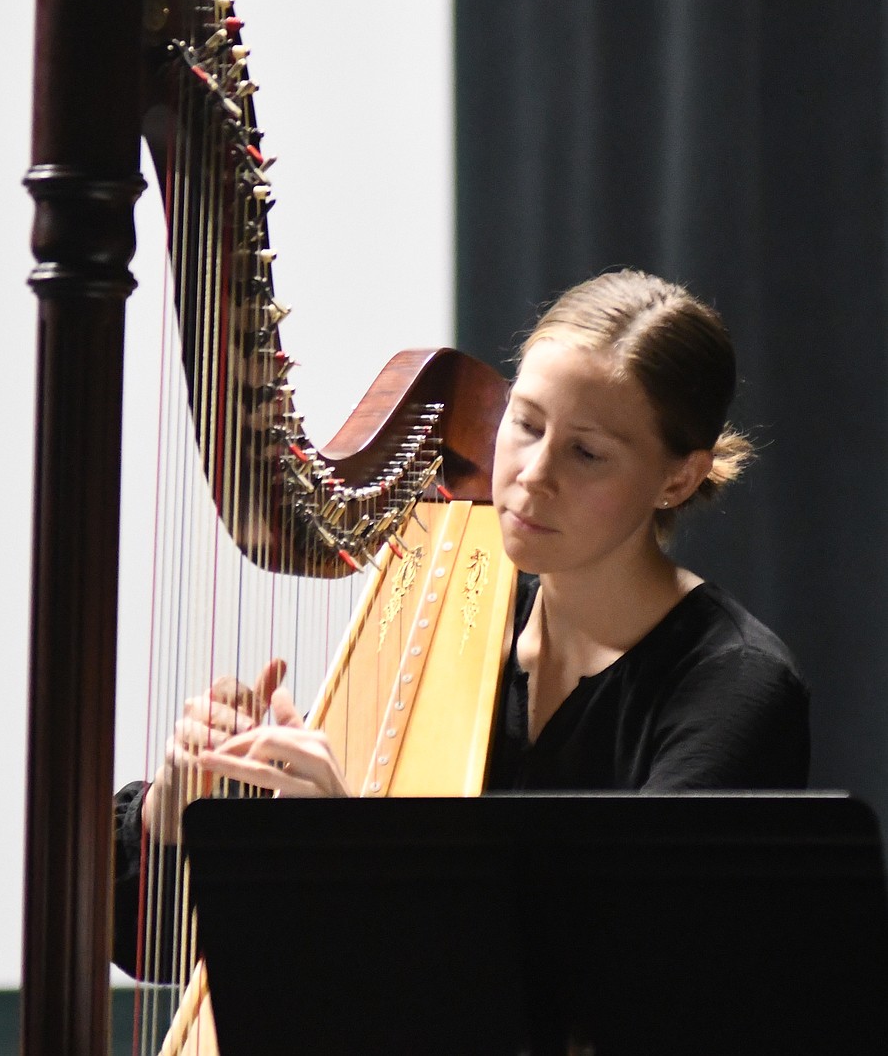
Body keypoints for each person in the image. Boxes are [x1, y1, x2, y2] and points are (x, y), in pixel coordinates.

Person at [113, 269, 809, 964]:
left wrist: (349, 851)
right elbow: (189, 951)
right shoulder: (459, 625)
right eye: (527, 424)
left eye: (586, 452)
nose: (533, 473)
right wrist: (179, 816)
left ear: (678, 478)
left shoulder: (733, 688)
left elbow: (621, 976)